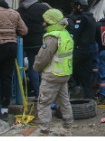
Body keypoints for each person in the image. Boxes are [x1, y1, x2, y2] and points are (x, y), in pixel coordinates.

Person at [33, 8, 75, 136]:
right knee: (64, 101)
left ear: (51, 22)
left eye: (45, 21)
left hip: (52, 75)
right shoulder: (65, 34)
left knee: (43, 103)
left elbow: (43, 57)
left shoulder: (52, 37)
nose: (43, 24)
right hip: (64, 73)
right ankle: (67, 128)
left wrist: (35, 68)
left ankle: (44, 131)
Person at [17, 0, 50, 101]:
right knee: (46, 67)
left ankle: (37, 93)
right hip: (42, 41)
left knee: (32, 67)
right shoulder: (42, 7)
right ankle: (46, 94)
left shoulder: (19, 10)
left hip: (26, 43)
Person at [66, 0, 98, 99]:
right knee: (86, 74)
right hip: (90, 50)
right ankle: (89, 96)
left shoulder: (82, 19)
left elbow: (75, 33)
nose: (75, 7)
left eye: (77, 5)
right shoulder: (92, 18)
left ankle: (73, 86)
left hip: (81, 49)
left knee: (67, 64)